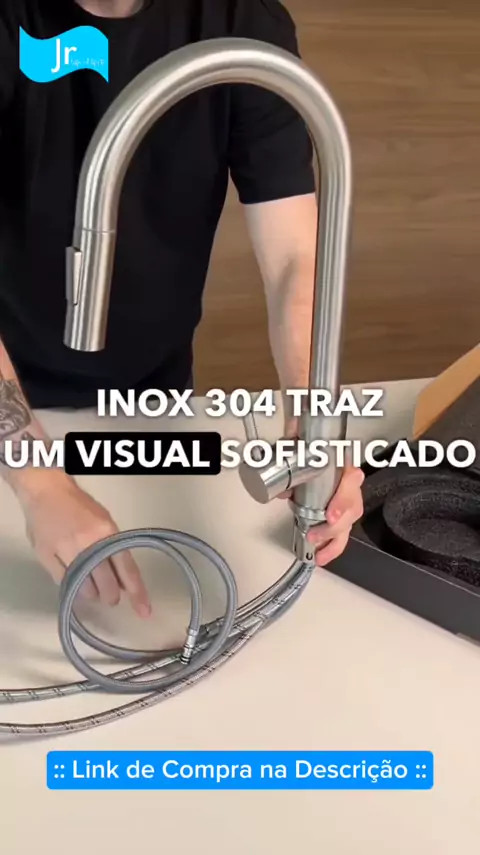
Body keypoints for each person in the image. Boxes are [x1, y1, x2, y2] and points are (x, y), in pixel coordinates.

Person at [0, 0, 364, 618]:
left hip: (151, 393)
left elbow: (294, 260)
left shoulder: (240, 22)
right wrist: (38, 480)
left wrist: (312, 413)